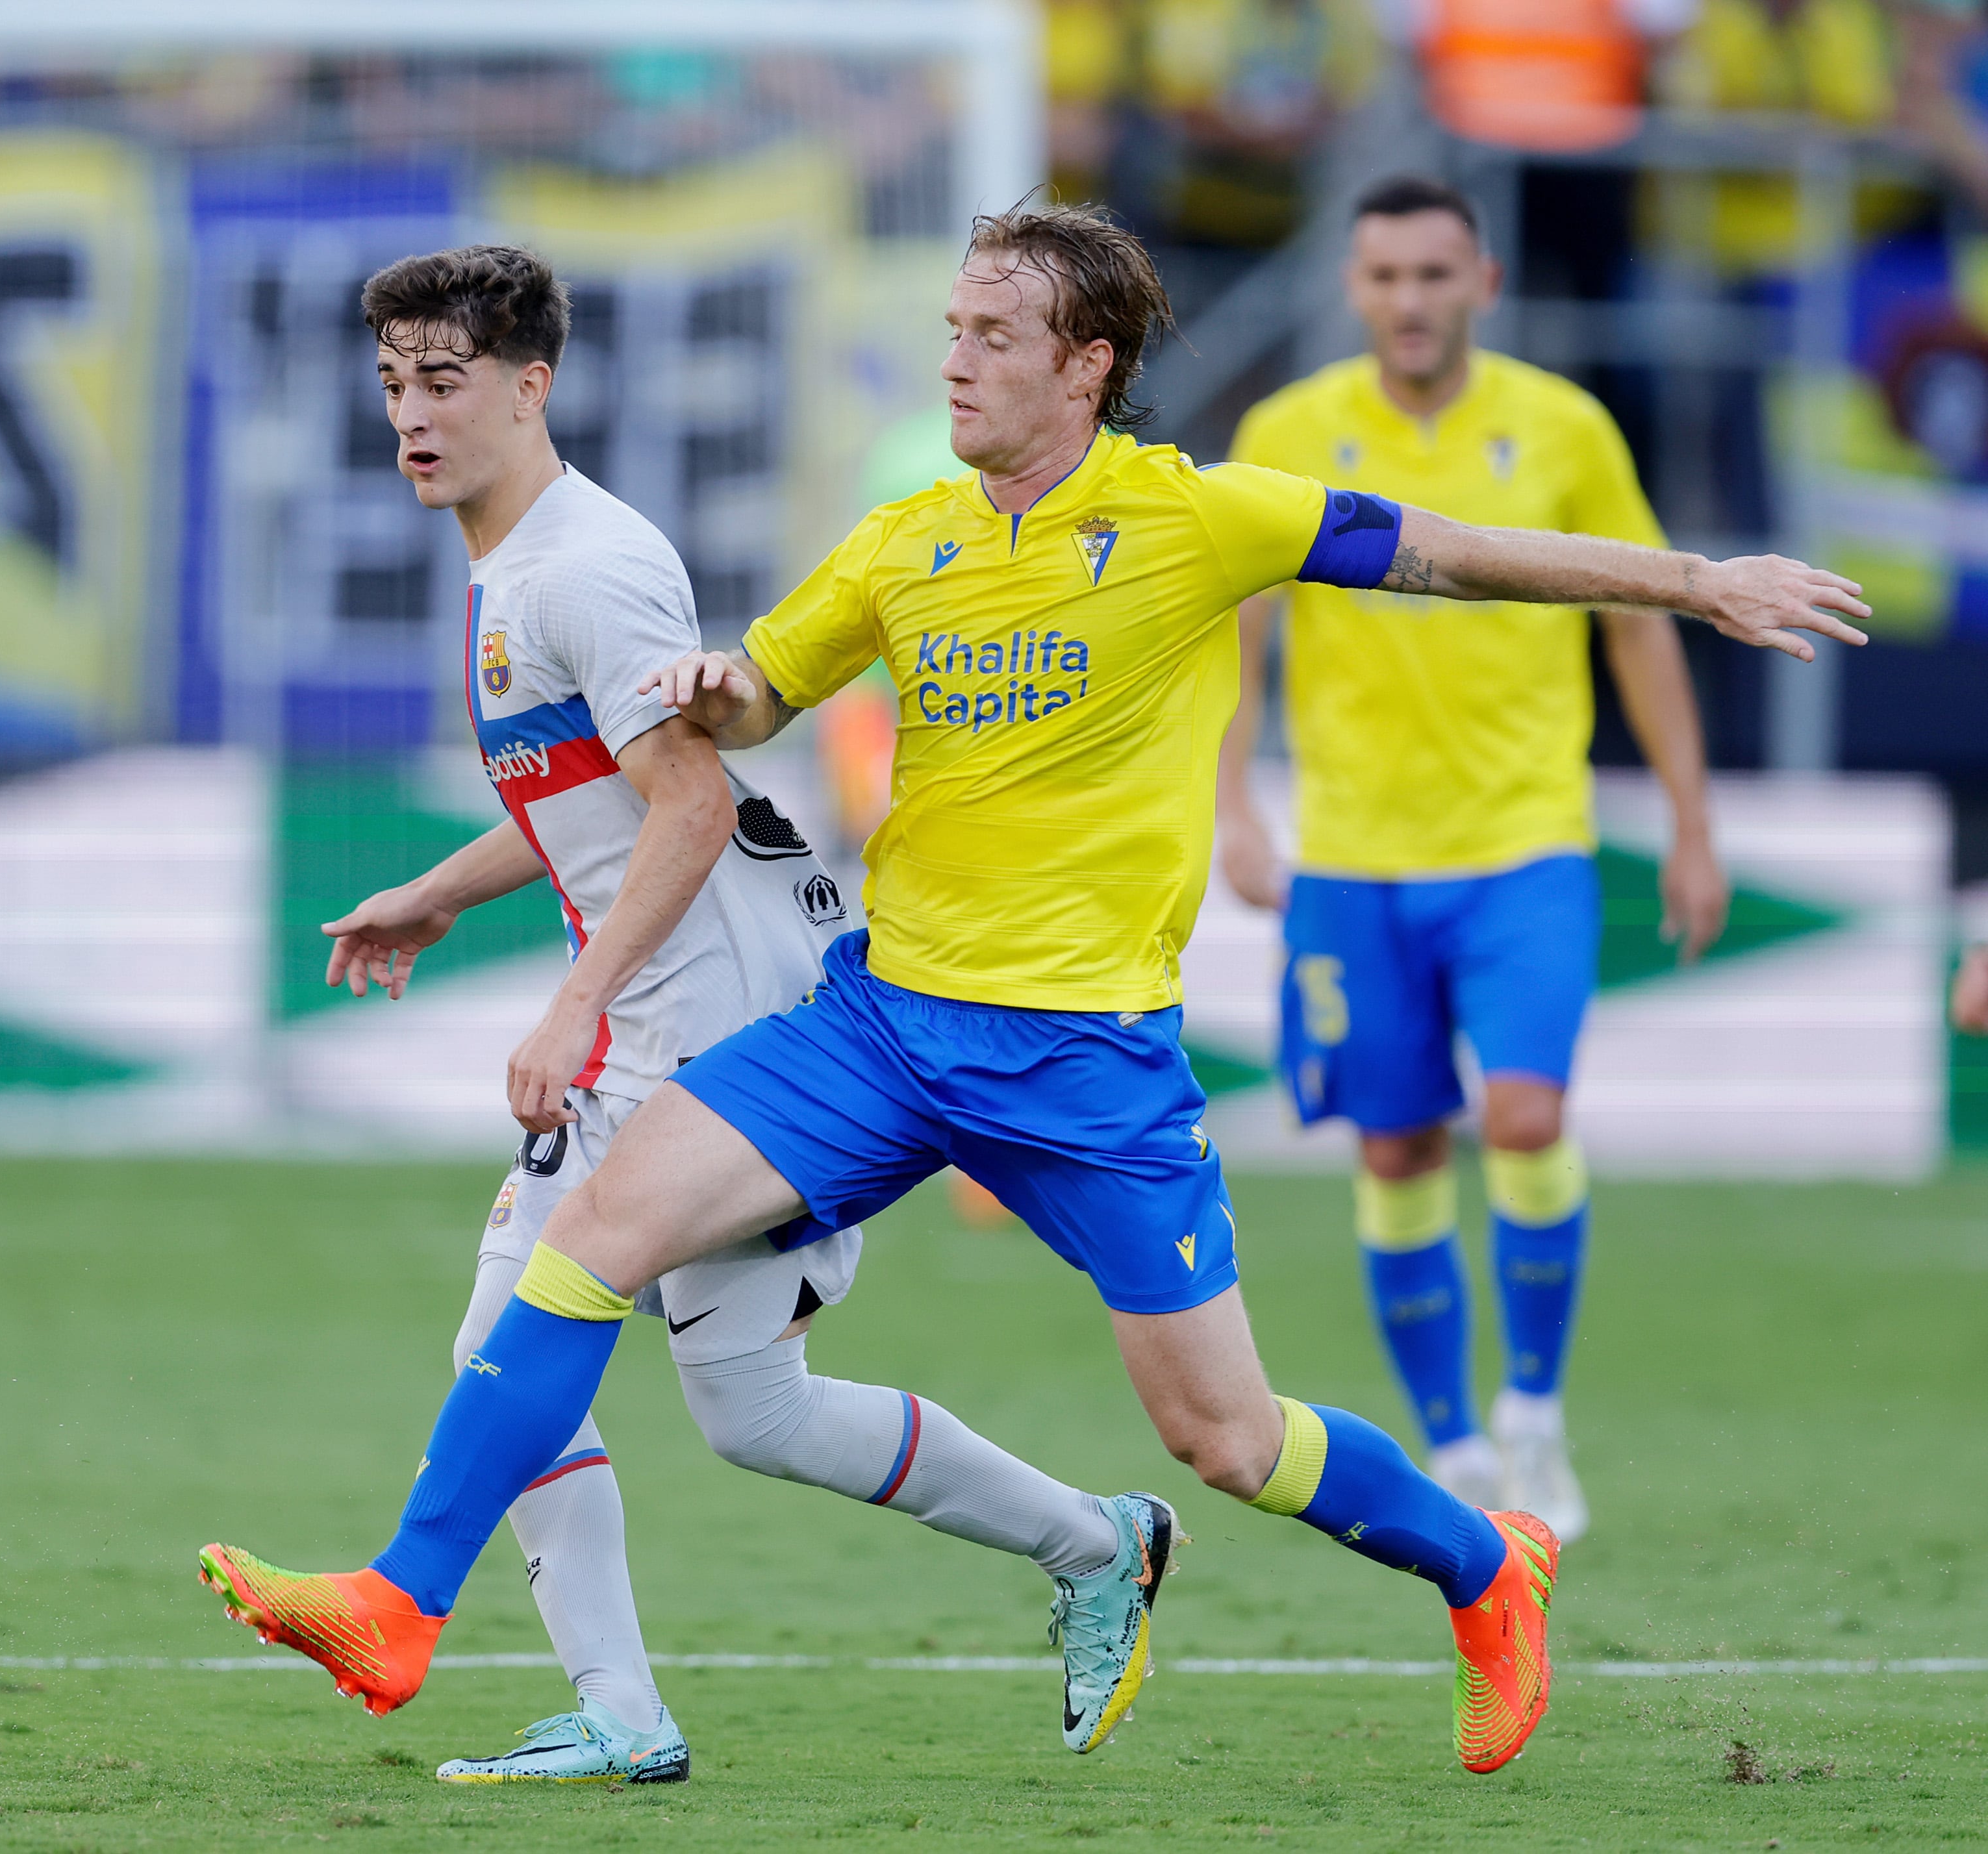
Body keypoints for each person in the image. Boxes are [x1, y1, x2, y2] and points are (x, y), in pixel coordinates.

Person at [199, 205, 1868, 1777]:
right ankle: (404, 1604)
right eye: (949, 328)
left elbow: (1448, 553)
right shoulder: (904, 544)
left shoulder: (1195, 516)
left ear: (1083, 365)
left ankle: (1478, 1560)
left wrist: (1693, 579)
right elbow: (748, 709)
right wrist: (715, 685)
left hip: (1080, 1059)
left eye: (993, 334)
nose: (954, 361)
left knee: (1222, 1438)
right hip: (878, 1024)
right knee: (581, 1248)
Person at [218, 244, 1165, 1783]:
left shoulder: (583, 567)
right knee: (751, 1413)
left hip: (710, 1015)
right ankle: (1088, 1544)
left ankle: (498, 1646)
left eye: (445, 382)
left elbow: (688, 804)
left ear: (532, 386)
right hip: (697, 993)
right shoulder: (515, 562)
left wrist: (571, 1007)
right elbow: (590, 801)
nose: (411, 414)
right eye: (393, 383)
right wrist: (446, 889)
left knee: (529, 1334)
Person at [1217, 175, 1726, 1543]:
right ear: (1353, 287)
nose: (1407, 300)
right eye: (1382, 275)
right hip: (1351, 860)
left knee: (1520, 1117)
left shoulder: (1561, 427)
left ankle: (1533, 1418)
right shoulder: (1289, 429)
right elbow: (1235, 634)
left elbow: (1636, 619)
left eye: (1432, 274)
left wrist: (1687, 820)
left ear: (1482, 284)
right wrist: (1233, 807)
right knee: (1393, 1149)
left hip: (1523, 847)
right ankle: (1453, 1444)